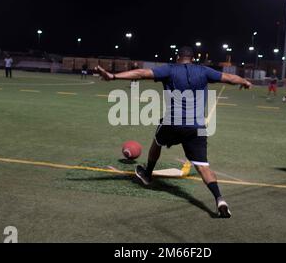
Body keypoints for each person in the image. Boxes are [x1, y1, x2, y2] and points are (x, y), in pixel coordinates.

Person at [96, 46, 253, 218]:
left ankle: (147, 174)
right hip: (197, 126)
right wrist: (244, 81)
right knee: (203, 167)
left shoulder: (170, 69)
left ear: (178, 57)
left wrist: (113, 76)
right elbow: (229, 77)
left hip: (173, 123)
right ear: (192, 58)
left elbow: (141, 73)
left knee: (157, 142)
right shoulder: (203, 70)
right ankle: (220, 200)